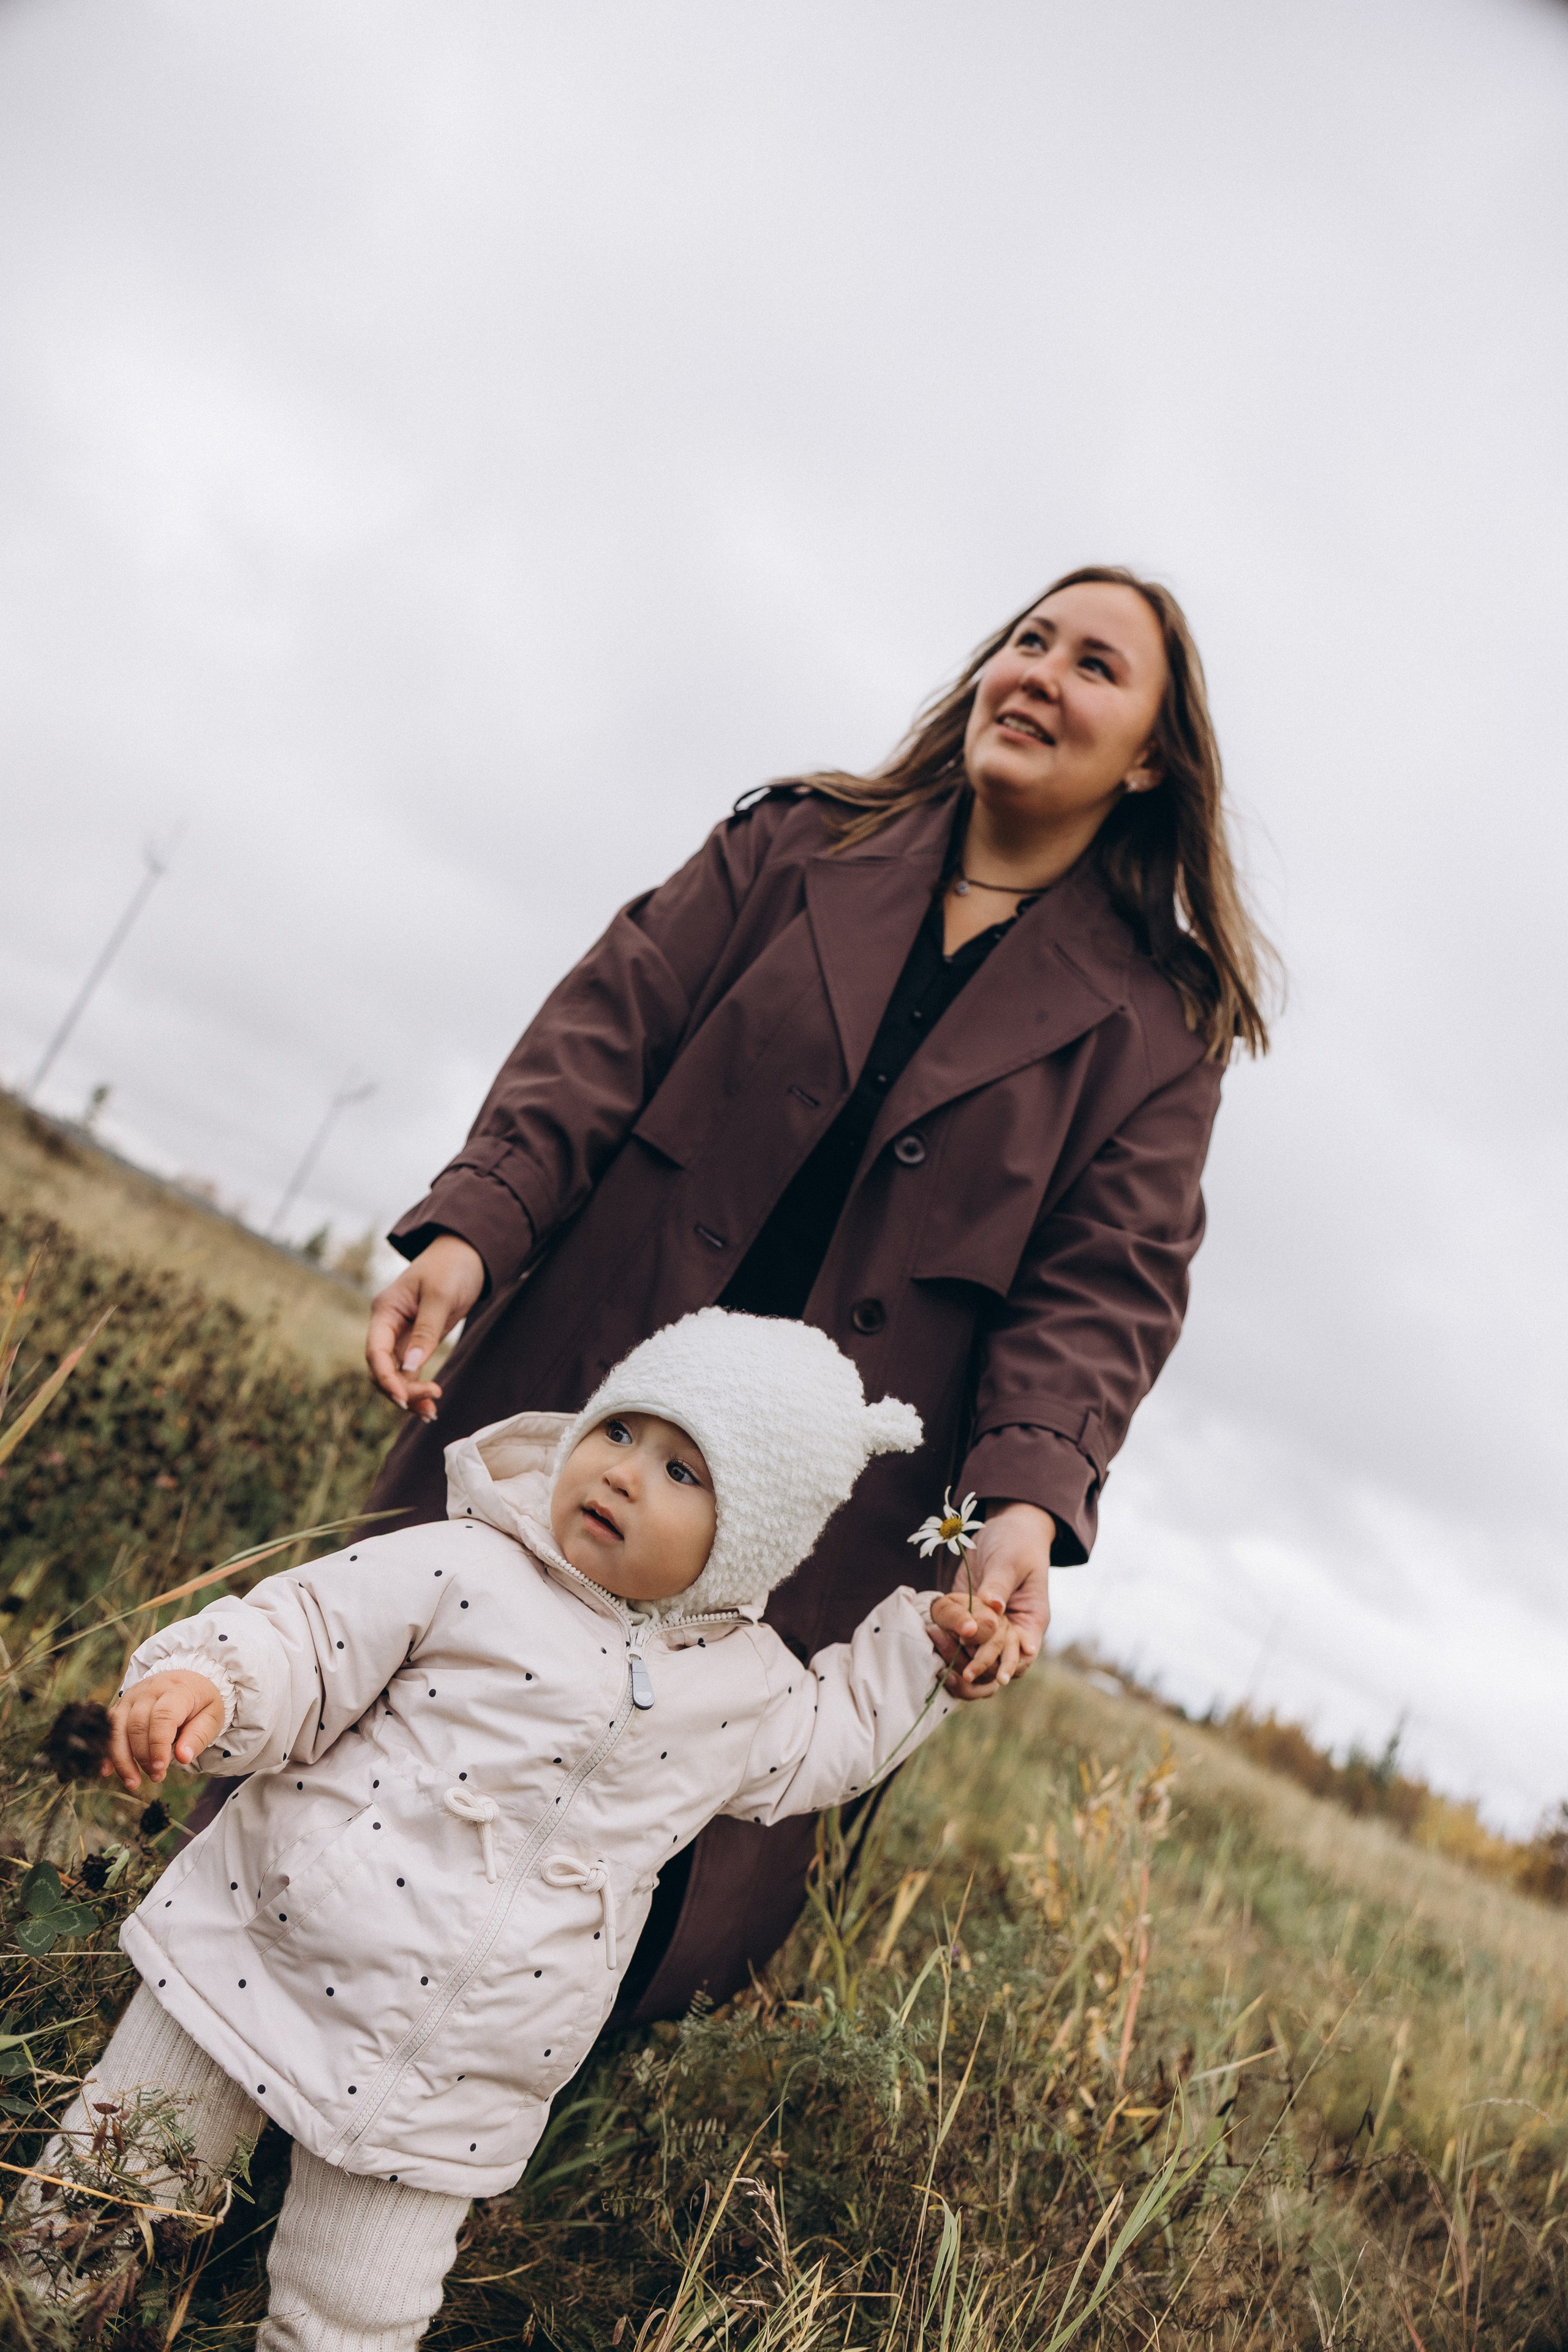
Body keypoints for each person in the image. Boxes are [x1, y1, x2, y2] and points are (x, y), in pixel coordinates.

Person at [359, 564, 1273, 2021]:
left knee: (645, 1868)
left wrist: (1020, 1504)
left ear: (1152, 755)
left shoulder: (1158, 1029)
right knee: (396, 1712)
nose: (1038, 673)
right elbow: (606, 1031)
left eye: (1093, 664)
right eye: (1025, 642)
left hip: (855, 1514)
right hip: (593, 1384)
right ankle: (181, 2101)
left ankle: (428, 2155)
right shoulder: (794, 846)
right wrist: (474, 1227)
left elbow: (1104, 1288)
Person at [26, 1313, 996, 2350]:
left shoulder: (745, 1689)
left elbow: (827, 1742)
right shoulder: (465, 1567)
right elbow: (304, 1636)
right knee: (98, 2207)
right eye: (620, 1432)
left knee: (357, 2315)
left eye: (683, 1471)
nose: (623, 1474)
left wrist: (925, 1653)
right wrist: (211, 1684)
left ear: (754, 1536)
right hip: (261, 1948)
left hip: (465, 2064)